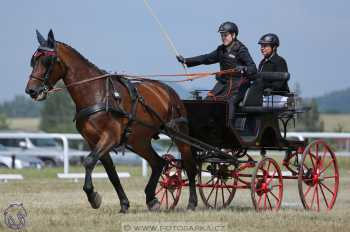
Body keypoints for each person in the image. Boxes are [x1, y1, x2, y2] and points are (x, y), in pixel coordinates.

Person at [176, 21, 257, 126]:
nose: (223, 37)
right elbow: (206, 58)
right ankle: (198, 125)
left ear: (233, 35)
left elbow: (253, 68)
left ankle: (228, 127)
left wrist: (244, 68)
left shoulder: (241, 50)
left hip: (239, 85)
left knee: (228, 103)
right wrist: (186, 60)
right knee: (207, 101)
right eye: (222, 35)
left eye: (226, 35)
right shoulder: (221, 50)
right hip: (222, 84)